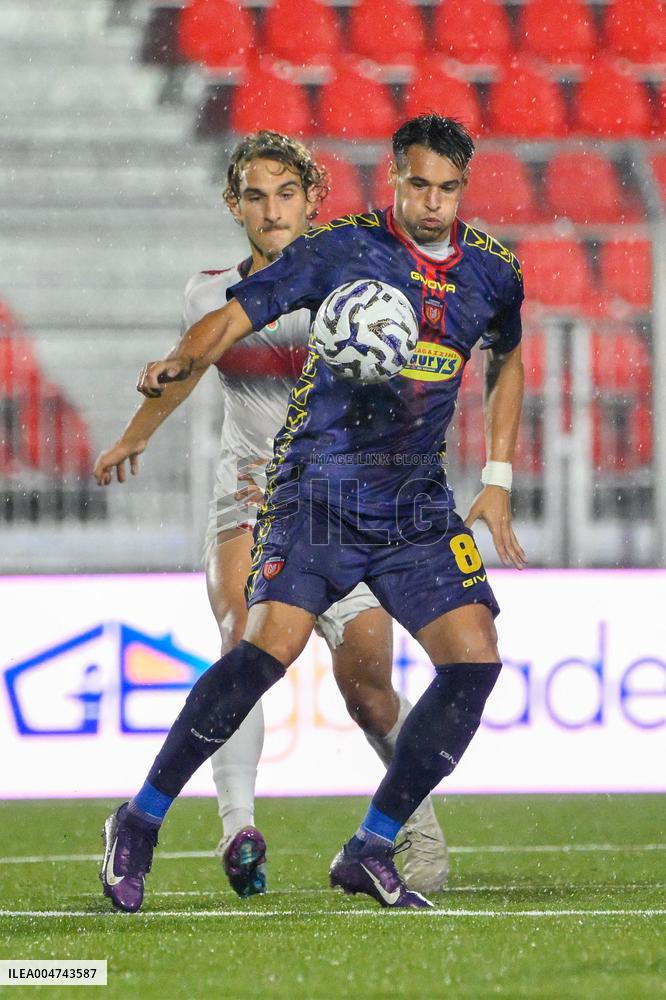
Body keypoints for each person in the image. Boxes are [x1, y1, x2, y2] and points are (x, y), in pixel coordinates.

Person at [100, 113, 527, 912]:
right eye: (418, 184)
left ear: (463, 187)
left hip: (412, 499)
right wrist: (182, 360)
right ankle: (142, 819)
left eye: (447, 188)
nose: (432, 203)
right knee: (265, 652)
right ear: (393, 178)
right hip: (316, 486)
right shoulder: (343, 249)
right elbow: (235, 313)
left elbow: (508, 358)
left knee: (472, 661)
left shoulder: (495, 271)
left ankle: (372, 844)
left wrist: (496, 475)